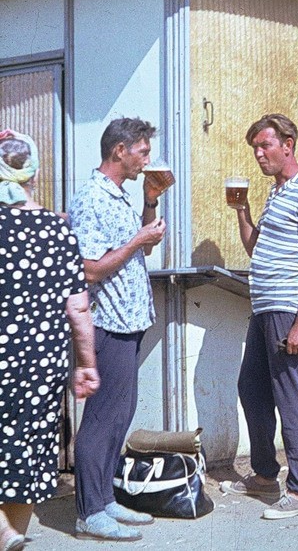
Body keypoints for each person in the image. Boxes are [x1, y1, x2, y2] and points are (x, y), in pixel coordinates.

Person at [221, 113, 298, 519]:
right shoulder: (277, 191)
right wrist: (242, 212)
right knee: (252, 389)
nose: (259, 154)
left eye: (265, 145)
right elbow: (257, 249)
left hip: (287, 309)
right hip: (263, 307)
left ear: (288, 145)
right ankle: (265, 474)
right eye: (255, 148)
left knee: (289, 396)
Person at [0, 131, 100, 551]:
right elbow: (78, 308)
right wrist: (87, 364)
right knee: (27, 449)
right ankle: (11, 534)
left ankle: (4, 533)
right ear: (35, 174)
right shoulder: (59, 230)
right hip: (43, 361)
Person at [69, 118, 167, 541]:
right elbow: (89, 269)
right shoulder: (92, 197)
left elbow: (144, 247)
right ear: (119, 151)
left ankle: (105, 498)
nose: (147, 160)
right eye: (142, 152)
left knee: (120, 414)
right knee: (101, 418)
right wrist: (135, 241)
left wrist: (150, 202)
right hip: (106, 323)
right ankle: (89, 512)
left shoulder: (119, 195)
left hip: (130, 320)